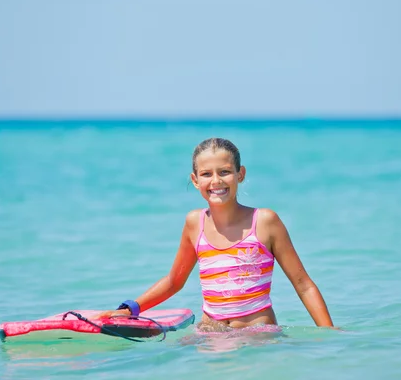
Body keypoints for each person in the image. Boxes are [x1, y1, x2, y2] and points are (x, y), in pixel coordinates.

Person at [95, 138, 338, 330]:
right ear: (195, 179)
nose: (216, 181)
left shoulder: (265, 221)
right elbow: (173, 282)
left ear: (240, 174)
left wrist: (330, 335)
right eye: (206, 174)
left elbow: (303, 285)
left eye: (224, 172)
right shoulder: (194, 223)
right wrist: (131, 309)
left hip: (258, 335)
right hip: (210, 333)